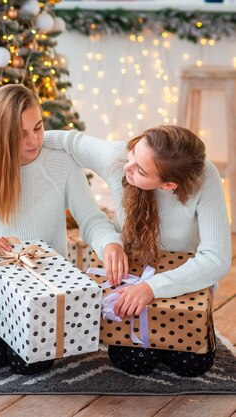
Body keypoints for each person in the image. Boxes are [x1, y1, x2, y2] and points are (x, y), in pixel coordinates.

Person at [0, 83, 127, 375]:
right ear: (2, 135)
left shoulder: (61, 163)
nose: (33, 140)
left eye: (37, 128)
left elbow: (91, 219)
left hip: (47, 294)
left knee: (30, 363)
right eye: (20, 134)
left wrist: (110, 243)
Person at [43, 125, 231, 376]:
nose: (126, 167)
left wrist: (152, 288)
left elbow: (216, 259)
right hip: (131, 283)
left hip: (182, 285)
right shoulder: (119, 156)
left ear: (168, 185)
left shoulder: (205, 178)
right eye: (134, 151)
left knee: (191, 365)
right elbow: (66, 140)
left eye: (140, 170)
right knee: (133, 361)